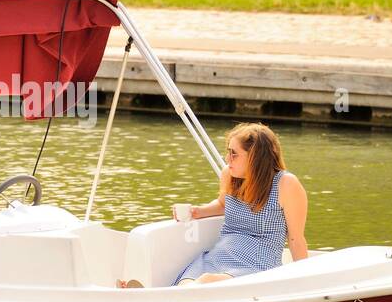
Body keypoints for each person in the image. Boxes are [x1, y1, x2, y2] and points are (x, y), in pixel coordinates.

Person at [120, 123, 307, 287]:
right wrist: (198, 211)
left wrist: (305, 281)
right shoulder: (230, 175)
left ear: (255, 157)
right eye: (228, 151)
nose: (227, 159)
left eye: (234, 154)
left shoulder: (286, 184)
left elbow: (295, 239)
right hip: (219, 256)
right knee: (187, 283)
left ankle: (145, 299)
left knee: (205, 283)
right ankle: (144, 299)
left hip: (258, 263)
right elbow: (222, 204)